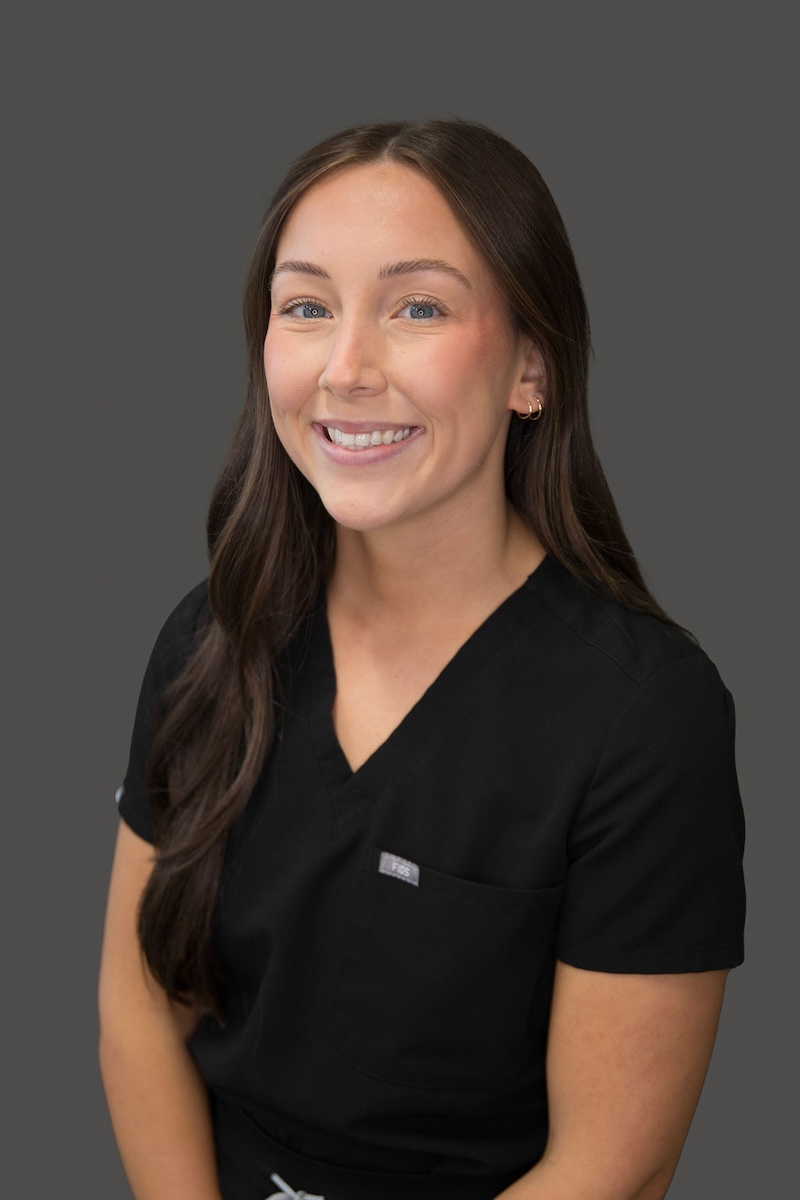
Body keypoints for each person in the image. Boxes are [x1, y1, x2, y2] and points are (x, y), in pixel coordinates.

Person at [98, 119, 746, 1200]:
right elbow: (135, 1007)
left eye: (418, 308)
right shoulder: (211, 637)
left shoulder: (643, 716)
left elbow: (610, 1169)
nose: (346, 369)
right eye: (305, 307)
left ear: (529, 370)